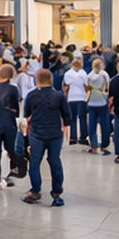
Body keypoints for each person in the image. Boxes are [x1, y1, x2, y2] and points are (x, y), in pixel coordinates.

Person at [23, 67, 71, 206]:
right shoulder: (58, 95)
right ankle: (57, 192)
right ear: (51, 79)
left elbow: (27, 114)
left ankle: (35, 190)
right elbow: (66, 116)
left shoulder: (31, 96)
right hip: (55, 133)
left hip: (37, 133)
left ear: (37, 79)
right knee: (54, 160)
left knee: (35, 161)